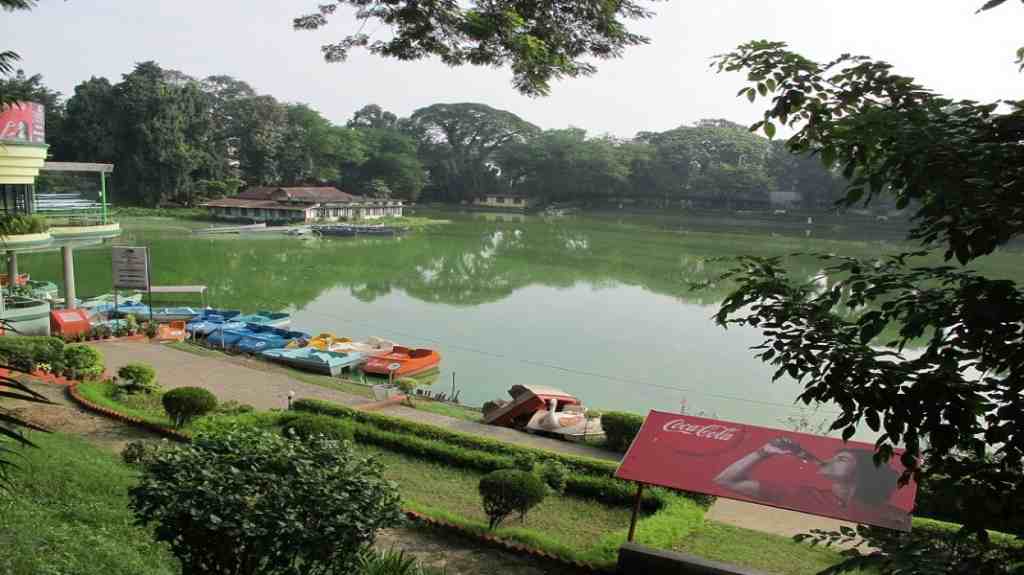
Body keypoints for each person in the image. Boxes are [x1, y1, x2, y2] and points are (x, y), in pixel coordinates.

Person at [712, 437, 910, 530]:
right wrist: (764, 452)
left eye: (842, 459)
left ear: (862, 472)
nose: (830, 460)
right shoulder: (802, 495)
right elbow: (725, 480)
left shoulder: (893, 516)